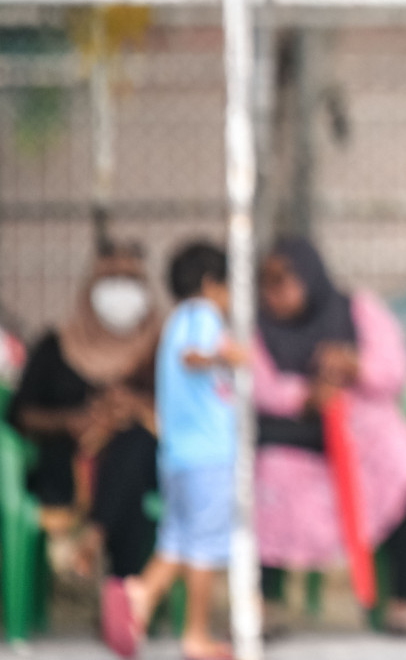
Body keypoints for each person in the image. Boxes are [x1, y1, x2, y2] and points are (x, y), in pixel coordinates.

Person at [251, 235, 406, 637]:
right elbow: (259, 385)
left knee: (405, 466)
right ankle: (267, 603)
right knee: (270, 474)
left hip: (359, 431)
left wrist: (355, 367)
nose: (275, 293)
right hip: (293, 435)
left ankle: (403, 603)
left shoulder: (357, 310)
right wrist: (305, 396)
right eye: (267, 283)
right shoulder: (258, 327)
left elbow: (394, 372)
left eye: (284, 281)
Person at [103, 241, 245, 660]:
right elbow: (194, 357)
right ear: (210, 284)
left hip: (177, 457)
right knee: (204, 548)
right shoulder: (203, 316)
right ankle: (196, 635)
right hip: (208, 456)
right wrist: (234, 355)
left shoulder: (173, 322)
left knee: (177, 542)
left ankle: (140, 595)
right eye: (228, 287)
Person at [6, 242, 161, 588]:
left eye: (131, 280)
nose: (122, 292)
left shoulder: (159, 347)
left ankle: (92, 542)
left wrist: (135, 407)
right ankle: (123, 590)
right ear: (91, 289)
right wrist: (70, 421)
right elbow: (21, 413)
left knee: (133, 446)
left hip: (143, 464)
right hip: (66, 464)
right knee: (126, 478)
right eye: (112, 280)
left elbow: (180, 411)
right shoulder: (56, 345)